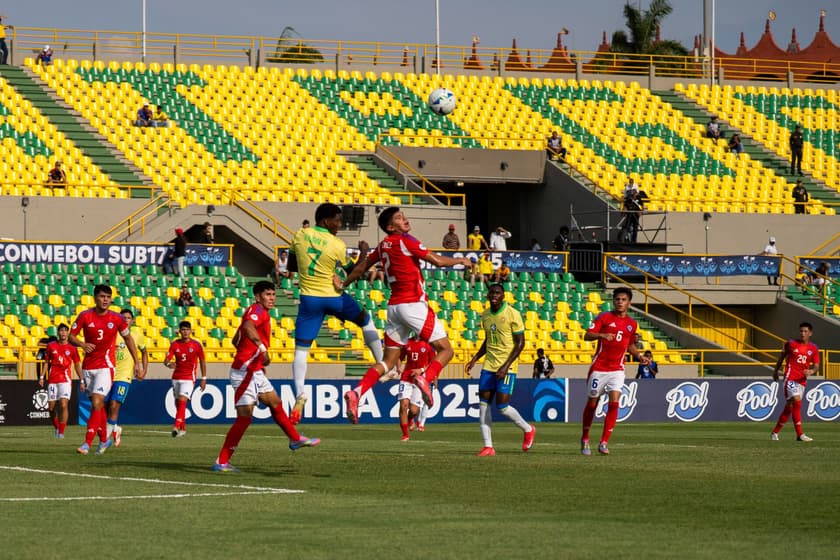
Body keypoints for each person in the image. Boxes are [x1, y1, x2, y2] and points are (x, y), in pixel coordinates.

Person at [342, 207, 472, 423]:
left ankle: (357, 392)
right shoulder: (405, 240)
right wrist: (460, 261)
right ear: (390, 227)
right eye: (399, 218)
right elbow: (437, 261)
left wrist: (343, 285)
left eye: (404, 216)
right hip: (413, 304)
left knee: (388, 362)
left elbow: (361, 268)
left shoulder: (383, 246)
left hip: (394, 308)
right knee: (446, 350)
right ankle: (425, 379)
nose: (405, 219)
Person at [289, 203, 383, 425]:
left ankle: (300, 394)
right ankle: (382, 365)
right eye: (337, 221)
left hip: (309, 299)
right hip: (333, 296)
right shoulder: (337, 244)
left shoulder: (300, 234)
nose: (339, 225)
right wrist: (363, 251)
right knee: (365, 320)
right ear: (324, 221)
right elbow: (355, 273)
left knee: (301, 350)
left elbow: (293, 266)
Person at [213, 281, 320, 473]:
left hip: (254, 370)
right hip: (244, 373)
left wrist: (256, 361)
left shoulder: (260, 312)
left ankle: (295, 439)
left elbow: (235, 339)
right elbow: (247, 326)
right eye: (268, 294)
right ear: (257, 296)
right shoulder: (256, 311)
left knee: (275, 403)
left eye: (273, 294)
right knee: (244, 418)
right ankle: (222, 461)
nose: (272, 298)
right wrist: (260, 349)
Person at [69, 284, 142, 455]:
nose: (105, 300)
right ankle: (104, 439)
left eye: (108, 297)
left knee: (96, 402)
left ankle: (87, 442)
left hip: (106, 366)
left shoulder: (116, 318)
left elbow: (129, 339)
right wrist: (82, 344)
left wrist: (136, 362)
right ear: (95, 297)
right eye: (102, 296)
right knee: (99, 407)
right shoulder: (85, 316)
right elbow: (71, 336)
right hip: (88, 367)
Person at [465, 283, 535, 456]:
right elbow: (488, 340)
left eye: (498, 293)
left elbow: (520, 343)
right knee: (483, 406)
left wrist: (505, 366)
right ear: (488, 295)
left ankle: (528, 429)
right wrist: (475, 358)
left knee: (502, 406)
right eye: (492, 292)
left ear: (503, 296)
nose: (494, 295)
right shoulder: (486, 315)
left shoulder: (513, 314)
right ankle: (488, 446)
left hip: (507, 366)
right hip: (489, 365)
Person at [579, 287, 648, 456]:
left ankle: (604, 442)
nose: (620, 302)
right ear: (613, 301)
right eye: (617, 299)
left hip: (617, 369)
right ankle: (585, 437)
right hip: (599, 368)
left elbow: (629, 345)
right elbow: (586, 335)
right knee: (592, 403)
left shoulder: (632, 324)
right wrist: (602, 335)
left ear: (629, 303)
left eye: (623, 299)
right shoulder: (604, 317)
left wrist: (640, 356)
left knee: (615, 400)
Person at [104, 308, 149, 448]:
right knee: (106, 407)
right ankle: (115, 429)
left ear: (132, 320)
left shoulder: (136, 336)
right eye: (123, 317)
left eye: (128, 318)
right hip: (109, 374)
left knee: (114, 404)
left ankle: (105, 438)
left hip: (124, 375)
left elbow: (144, 352)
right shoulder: (111, 334)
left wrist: (143, 370)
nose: (125, 320)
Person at [771, 322, 819, 442]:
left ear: (810, 333)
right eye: (801, 331)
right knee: (797, 401)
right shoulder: (791, 344)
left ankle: (775, 432)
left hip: (801, 380)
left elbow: (817, 365)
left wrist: (812, 371)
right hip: (790, 378)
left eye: (805, 331)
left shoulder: (813, 348)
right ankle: (800, 434)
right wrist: (776, 371)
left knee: (790, 407)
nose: (802, 333)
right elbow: (781, 357)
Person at [39, 323, 82, 439]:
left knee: (63, 405)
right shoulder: (51, 346)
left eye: (65, 331)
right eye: (61, 330)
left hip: (65, 380)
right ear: (58, 332)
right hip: (53, 380)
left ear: (68, 333)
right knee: (51, 408)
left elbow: (77, 365)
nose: (63, 333)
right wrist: (42, 377)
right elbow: (47, 363)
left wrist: (82, 379)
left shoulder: (72, 349)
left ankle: (61, 432)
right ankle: (57, 428)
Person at [164, 321, 207, 437]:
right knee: (178, 403)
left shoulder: (196, 345)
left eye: (187, 330)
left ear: (191, 331)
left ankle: (176, 425)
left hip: (189, 378)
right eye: (183, 330)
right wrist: (169, 365)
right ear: (179, 331)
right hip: (176, 377)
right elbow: (166, 360)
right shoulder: (175, 344)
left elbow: (202, 361)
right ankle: (182, 428)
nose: (185, 332)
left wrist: (204, 378)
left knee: (183, 401)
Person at [396, 335, 435, 442]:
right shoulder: (407, 342)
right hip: (406, 378)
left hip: (420, 380)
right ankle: (405, 435)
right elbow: (399, 357)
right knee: (403, 405)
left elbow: (433, 363)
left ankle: (410, 419)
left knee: (413, 410)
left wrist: (421, 370)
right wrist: (399, 367)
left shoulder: (428, 345)